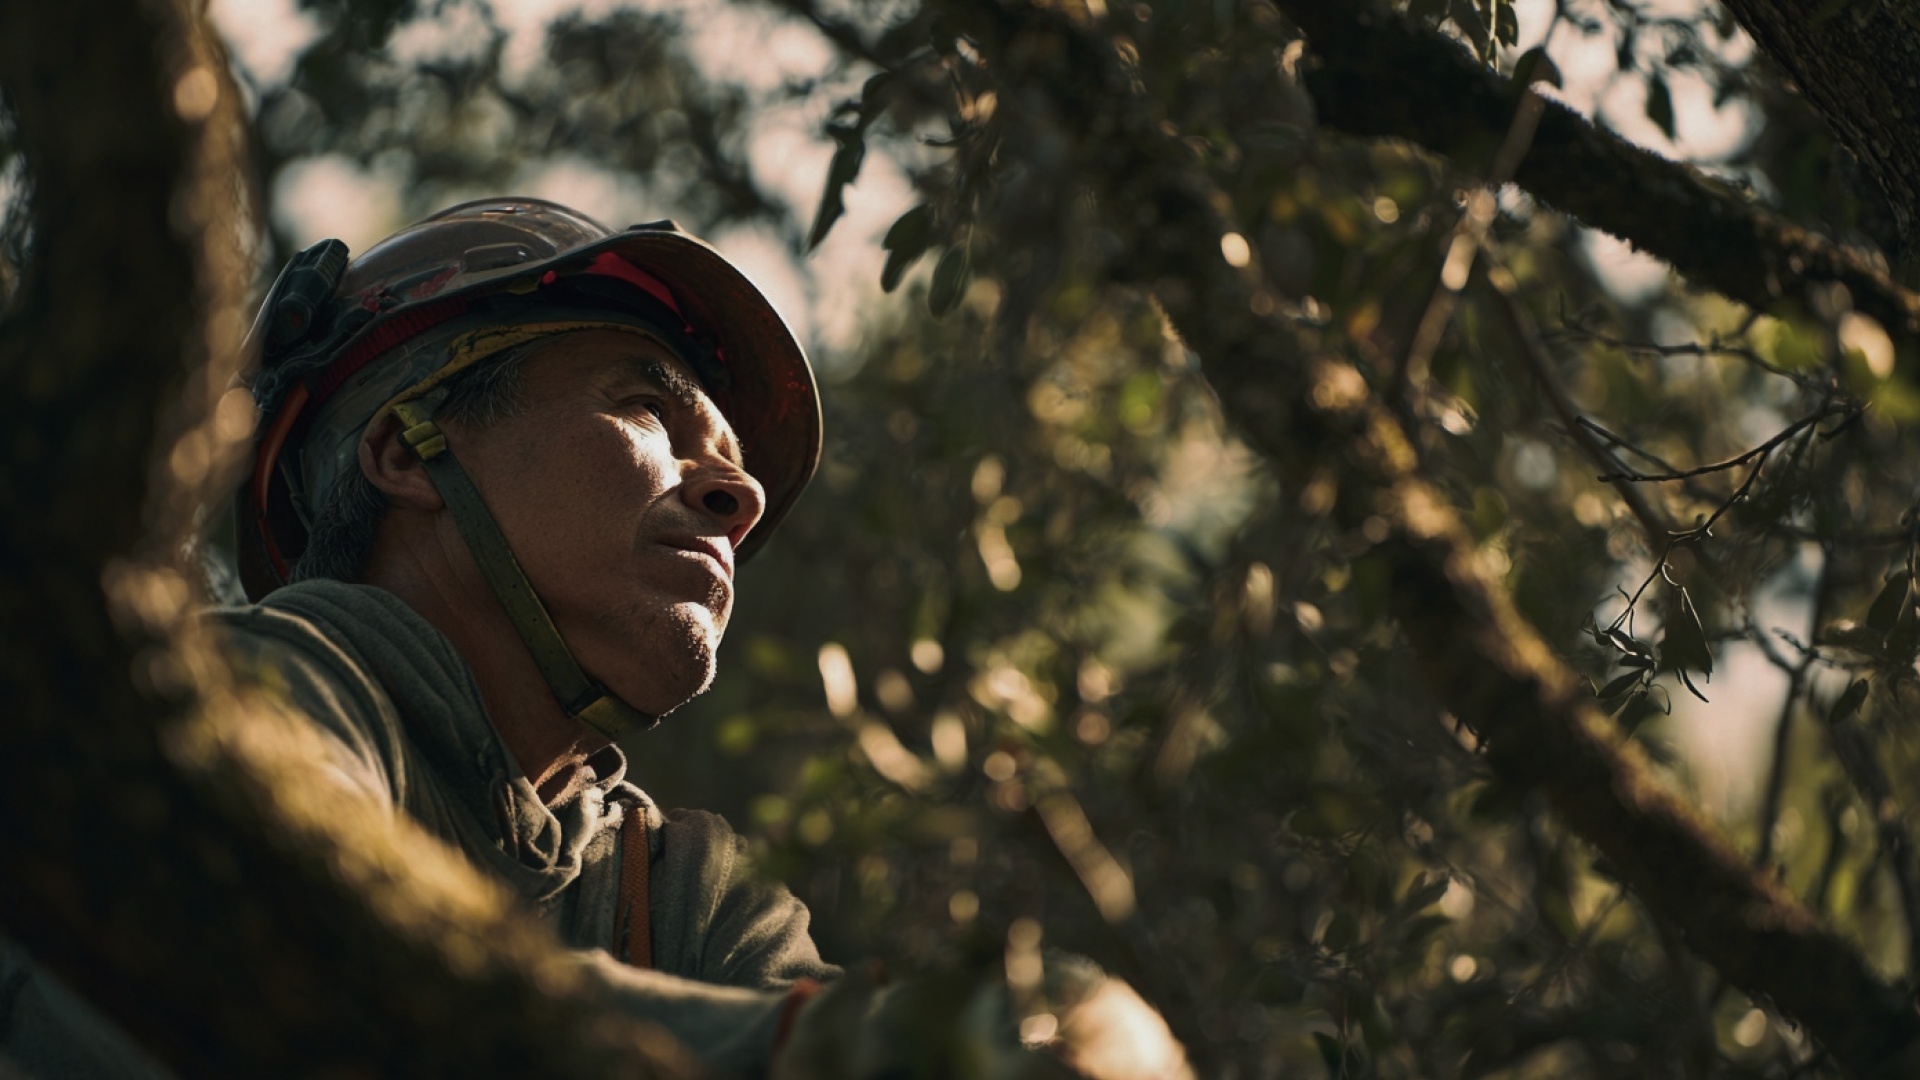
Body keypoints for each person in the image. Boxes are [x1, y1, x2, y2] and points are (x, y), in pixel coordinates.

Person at [0, 198, 1185, 1080]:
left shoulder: (676, 890)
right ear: (407, 452)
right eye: (649, 408)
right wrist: (889, 1047)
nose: (736, 494)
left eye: (732, 461)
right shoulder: (249, 695)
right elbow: (323, 958)